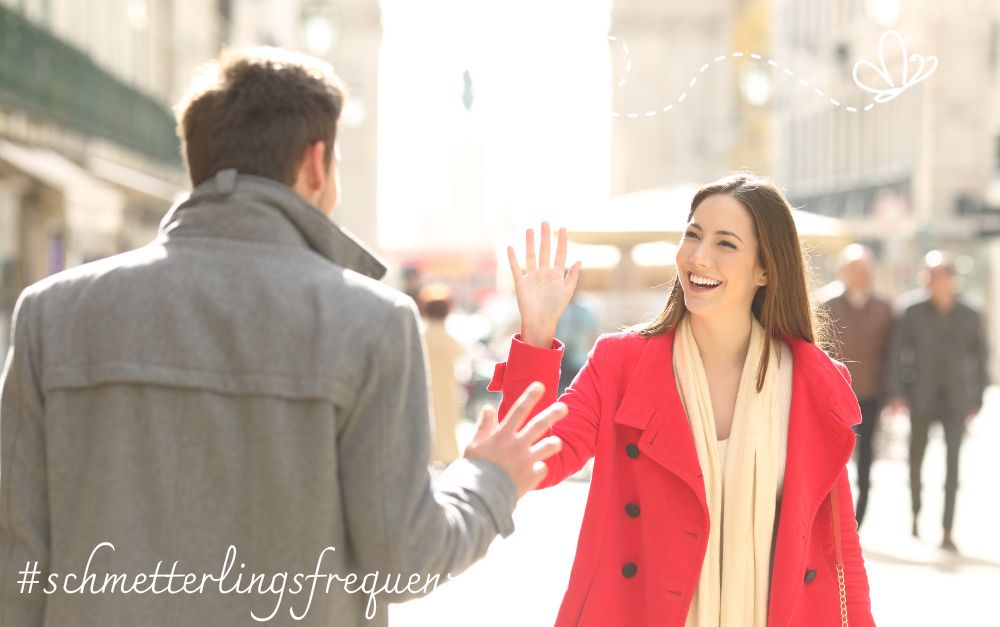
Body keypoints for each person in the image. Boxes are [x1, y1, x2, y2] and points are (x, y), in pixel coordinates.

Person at [0, 47, 567, 627]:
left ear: (198, 157)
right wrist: (489, 482)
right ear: (316, 165)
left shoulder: (52, 314)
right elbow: (403, 562)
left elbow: (16, 566)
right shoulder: (371, 322)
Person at [489, 174, 875, 626]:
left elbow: (840, 542)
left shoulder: (812, 380)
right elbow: (531, 462)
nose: (698, 256)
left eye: (725, 244)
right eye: (692, 234)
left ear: (765, 270)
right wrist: (537, 334)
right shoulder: (622, 364)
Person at [887, 250, 988, 552]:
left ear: (951, 279)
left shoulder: (971, 313)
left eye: (937, 276)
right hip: (920, 397)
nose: (931, 281)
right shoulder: (911, 310)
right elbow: (896, 354)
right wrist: (898, 393)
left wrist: (978, 397)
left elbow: (980, 358)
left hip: (957, 400)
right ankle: (916, 515)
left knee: (953, 464)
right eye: (927, 276)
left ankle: (947, 528)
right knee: (915, 460)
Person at [823, 244, 894, 528]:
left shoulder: (884, 307)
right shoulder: (826, 304)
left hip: (871, 395)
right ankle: (830, 519)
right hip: (835, 396)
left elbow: (892, 352)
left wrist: (890, 393)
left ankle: (856, 522)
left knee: (865, 463)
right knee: (832, 461)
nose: (861, 276)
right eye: (855, 270)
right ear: (843, 272)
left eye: (865, 270)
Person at [419, 283, 465, 465]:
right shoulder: (451, 340)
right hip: (447, 391)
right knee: (446, 427)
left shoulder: (419, 335)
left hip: (423, 391)